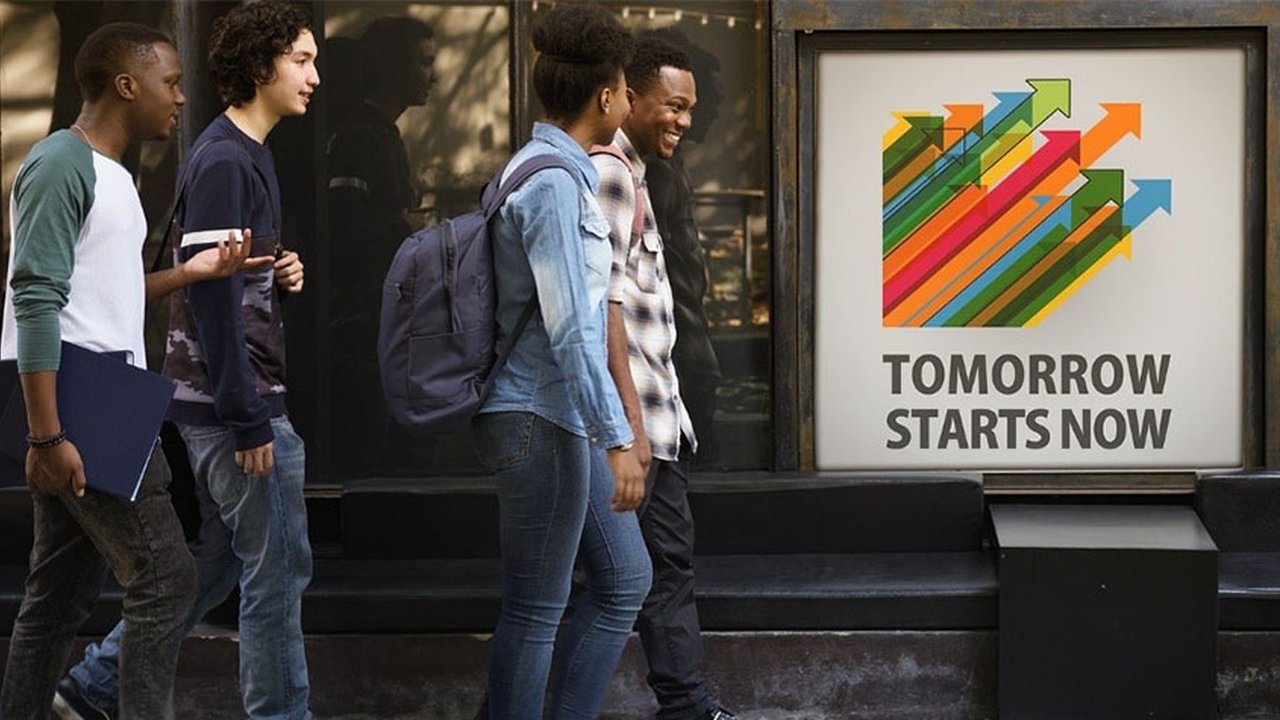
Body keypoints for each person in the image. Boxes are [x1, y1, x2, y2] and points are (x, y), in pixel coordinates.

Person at [0, 21, 271, 720]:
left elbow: (106, 288)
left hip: (90, 394)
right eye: (171, 82)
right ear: (127, 84)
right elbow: (35, 297)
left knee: (57, 596)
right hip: (84, 397)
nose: (181, 98)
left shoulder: (110, 174)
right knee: (167, 580)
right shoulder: (62, 163)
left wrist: (190, 271)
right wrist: (44, 436)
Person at [53, 4, 317, 719]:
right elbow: (207, 305)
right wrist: (249, 420)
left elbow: (229, 282)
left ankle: (93, 685)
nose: (314, 77)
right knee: (280, 575)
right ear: (261, 67)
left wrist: (277, 271)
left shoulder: (244, 154)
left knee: (225, 560)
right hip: (235, 409)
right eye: (301, 60)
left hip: (227, 403)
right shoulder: (228, 159)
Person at [473, 4, 651, 718]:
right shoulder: (551, 184)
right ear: (605, 97)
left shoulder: (552, 171)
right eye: (625, 91)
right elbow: (575, 329)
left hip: (556, 415)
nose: (629, 104)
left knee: (625, 579)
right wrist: (619, 439)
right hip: (538, 416)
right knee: (535, 609)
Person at [592, 36, 735, 720]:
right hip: (635, 421)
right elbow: (604, 306)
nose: (683, 120)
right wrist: (630, 430)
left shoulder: (643, 173)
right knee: (659, 570)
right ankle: (688, 707)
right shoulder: (613, 174)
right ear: (628, 95)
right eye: (672, 105)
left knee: (615, 582)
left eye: (689, 109)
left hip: (650, 415)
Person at [325, 16, 436, 475]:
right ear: (393, 67)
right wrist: (403, 225)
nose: (434, 75)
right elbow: (343, 225)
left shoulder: (383, 134)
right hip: (362, 320)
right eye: (424, 63)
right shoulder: (361, 137)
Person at [641, 28, 724, 467]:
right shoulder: (654, 170)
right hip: (678, 353)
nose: (695, 117)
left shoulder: (668, 163)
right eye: (680, 105)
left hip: (683, 347)